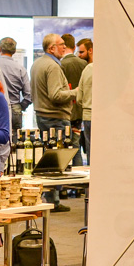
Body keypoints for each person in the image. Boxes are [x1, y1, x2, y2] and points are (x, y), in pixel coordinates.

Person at [31, 33, 75, 211]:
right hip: (55, 117)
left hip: (43, 115)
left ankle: (49, 198)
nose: (65, 47)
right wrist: (77, 92)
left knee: (49, 159)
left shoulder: (38, 63)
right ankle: (53, 201)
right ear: (51, 48)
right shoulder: (53, 66)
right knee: (56, 161)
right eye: (61, 44)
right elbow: (56, 95)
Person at [61, 34, 87, 168]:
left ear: (64, 46)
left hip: (66, 110)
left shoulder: (60, 65)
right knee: (76, 145)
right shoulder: (84, 64)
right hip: (81, 111)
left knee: (66, 146)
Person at [0, 37, 31, 136]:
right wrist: (19, 107)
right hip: (15, 109)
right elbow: (29, 95)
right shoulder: (21, 68)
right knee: (16, 139)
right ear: (14, 51)